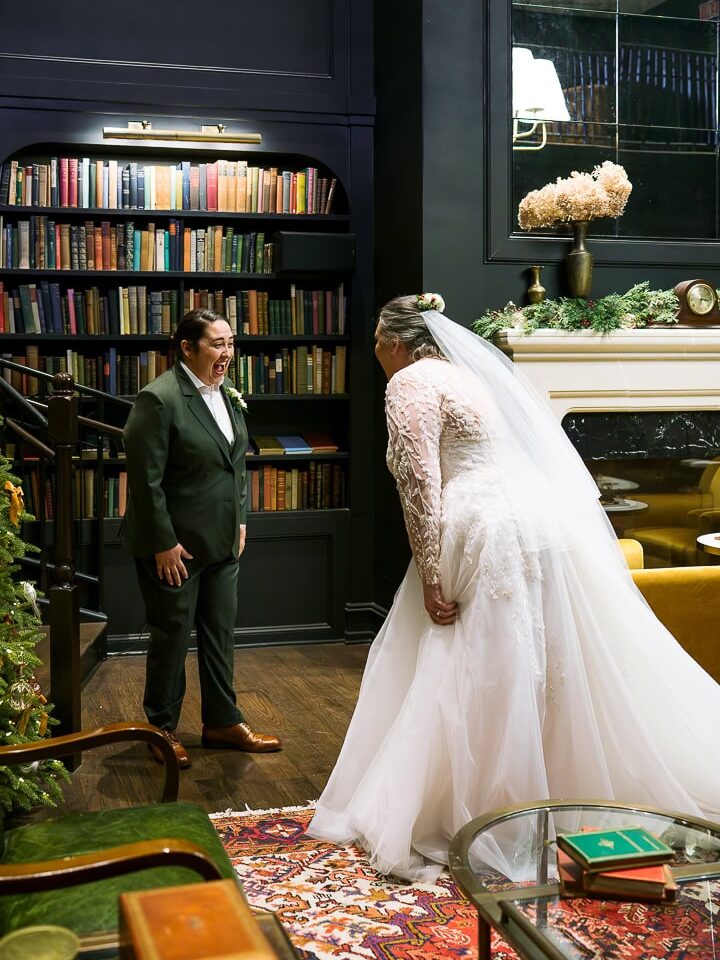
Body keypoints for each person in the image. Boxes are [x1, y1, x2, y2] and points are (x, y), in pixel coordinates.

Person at [308, 292, 720, 882]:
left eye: (376, 339)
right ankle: (552, 794)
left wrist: (429, 572)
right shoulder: (469, 377)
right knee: (536, 660)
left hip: (482, 531)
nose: (375, 351)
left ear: (398, 342)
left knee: (479, 662)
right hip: (536, 524)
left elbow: (421, 483)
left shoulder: (410, 383)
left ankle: (483, 812)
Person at [121, 308, 281, 769]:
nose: (227, 353)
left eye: (230, 343)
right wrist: (162, 543)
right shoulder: (159, 399)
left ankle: (222, 722)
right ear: (187, 348)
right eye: (216, 344)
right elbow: (144, 480)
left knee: (220, 634)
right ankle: (161, 729)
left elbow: (236, 463)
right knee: (171, 637)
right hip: (174, 548)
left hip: (223, 543)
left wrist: (242, 519)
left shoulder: (226, 396)